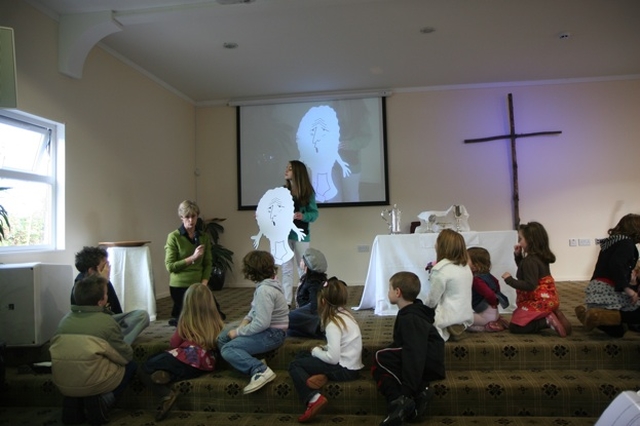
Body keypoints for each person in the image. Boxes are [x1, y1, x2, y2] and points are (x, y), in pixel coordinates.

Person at [50, 275, 137, 425]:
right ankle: (104, 401)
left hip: (62, 382)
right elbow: (125, 356)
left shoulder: (64, 321)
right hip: (94, 384)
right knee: (131, 365)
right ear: (101, 301)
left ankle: (75, 403)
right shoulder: (106, 322)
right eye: (106, 293)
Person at [140, 284, 225, 421]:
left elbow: (174, 343)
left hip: (187, 358)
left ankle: (166, 394)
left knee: (148, 364)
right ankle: (167, 375)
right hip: (205, 365)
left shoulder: (185, 321)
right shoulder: (217, 322)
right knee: (174, 366)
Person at [372, 272, 445, 426]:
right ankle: (415, 397)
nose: (388, 293)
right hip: (426, 357)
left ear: (397, 292)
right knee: (385, 360)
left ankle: (401, 400)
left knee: (380, 358)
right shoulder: (412, 311)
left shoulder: (410, 318)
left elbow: (415, 353)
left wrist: (407, 390)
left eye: (389, 289)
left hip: (428, 361)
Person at [288, 277, 363, 423]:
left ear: (322, 301)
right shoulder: (346, 315)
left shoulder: (333, 324)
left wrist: (317, 351)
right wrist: (322, 349)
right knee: (303, 354)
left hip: (344, 369)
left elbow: (333, 358)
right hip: (351, 365)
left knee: (295, 365)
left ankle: (314, 398)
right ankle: (322, 376)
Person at [217, 250, 289, 394]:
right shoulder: (267, 285)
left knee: (228, 348)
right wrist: (245, 321)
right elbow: (255, 310)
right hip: (270, 331)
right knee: (222, 338)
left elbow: (262, 323)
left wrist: (238, 332)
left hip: (272, 334)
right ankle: (250, 361)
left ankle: (260, 370)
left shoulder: (264, 290)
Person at [501, 221, 572, 337]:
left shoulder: (530, 261)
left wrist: (510, 280)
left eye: (521, 239)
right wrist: (518, 257)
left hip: (537, 301)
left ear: (530, 241)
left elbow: (530, 284)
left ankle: (546, 320)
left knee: (516, 327)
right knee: (518, 320)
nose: (519, 242)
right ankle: (551, 313)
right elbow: (527, 272)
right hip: (548, 299)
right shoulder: (539, 257)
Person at [575, 214, 640, 337]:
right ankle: (599, 315)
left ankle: (590, 316)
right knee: (635, 312)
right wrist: (628, 289)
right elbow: (616, 265)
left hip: (597, 289)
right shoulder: (626, 243)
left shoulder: (613, 242)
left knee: (618, 331)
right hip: (609, 289)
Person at [71, 246, 150, 345]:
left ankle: (114, 341)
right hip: (93, 324)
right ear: (91, 270)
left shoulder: (104, 282)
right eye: (104, 266)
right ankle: (118, 344)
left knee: (142, 315)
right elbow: (89, 316)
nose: (108, 269)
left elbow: (117, 311)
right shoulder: (81, 287)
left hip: (109, 322)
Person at [165, 200, 212, 326]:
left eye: (193, 216)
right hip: (180, 284)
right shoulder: (174, 237)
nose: (191, 221)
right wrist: (193, 257)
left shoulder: (203, 237)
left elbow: (208, 263)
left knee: (213, 316)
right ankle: (179, 313)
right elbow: (170, 266)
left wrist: (204, 283)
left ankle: (179, 313)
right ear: (181, 218)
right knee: (192, 320)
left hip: (198, 284)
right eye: (187, 217)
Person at [424, 229, 474, 341]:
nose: (435, 244)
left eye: (437, 241)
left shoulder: (440, 269)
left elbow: (432, 300)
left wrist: (422, 310)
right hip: (465, 314)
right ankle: (458, 324)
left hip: (447, 315)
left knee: (415, 317)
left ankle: (447, 326)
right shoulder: (465, 267)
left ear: (442, 246)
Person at [282, 160, 319, 305]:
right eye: (287, 168)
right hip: (284, 235)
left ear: (297, 172)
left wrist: (302, 216)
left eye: (290, 169)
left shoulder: (307, 193)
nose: (286, 171)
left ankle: (301, 299)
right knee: (286, 269)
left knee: (302, 268)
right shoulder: (283, 191)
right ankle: (286, 301)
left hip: (301, 235)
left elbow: (314, 214)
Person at [467, 247, 510, 332]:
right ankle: (497, 320)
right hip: (494, 312)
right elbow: (496, 285)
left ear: (475, 267)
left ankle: (488, 326)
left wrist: (492, 301)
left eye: (466, 260)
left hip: (486, 316)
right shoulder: (487, 275)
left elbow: (489, 294)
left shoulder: (477, 280)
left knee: (463, 321)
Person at [288, 248, 328, 338]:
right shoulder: (311, 278)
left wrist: (301, 316)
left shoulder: (313, 282)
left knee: (284, 318)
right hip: (306, 314)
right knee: (289, 332)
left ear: (307, 265)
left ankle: (315, 330)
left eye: (302, 259)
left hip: (310, 316)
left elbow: (315, 306)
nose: (300, 261)